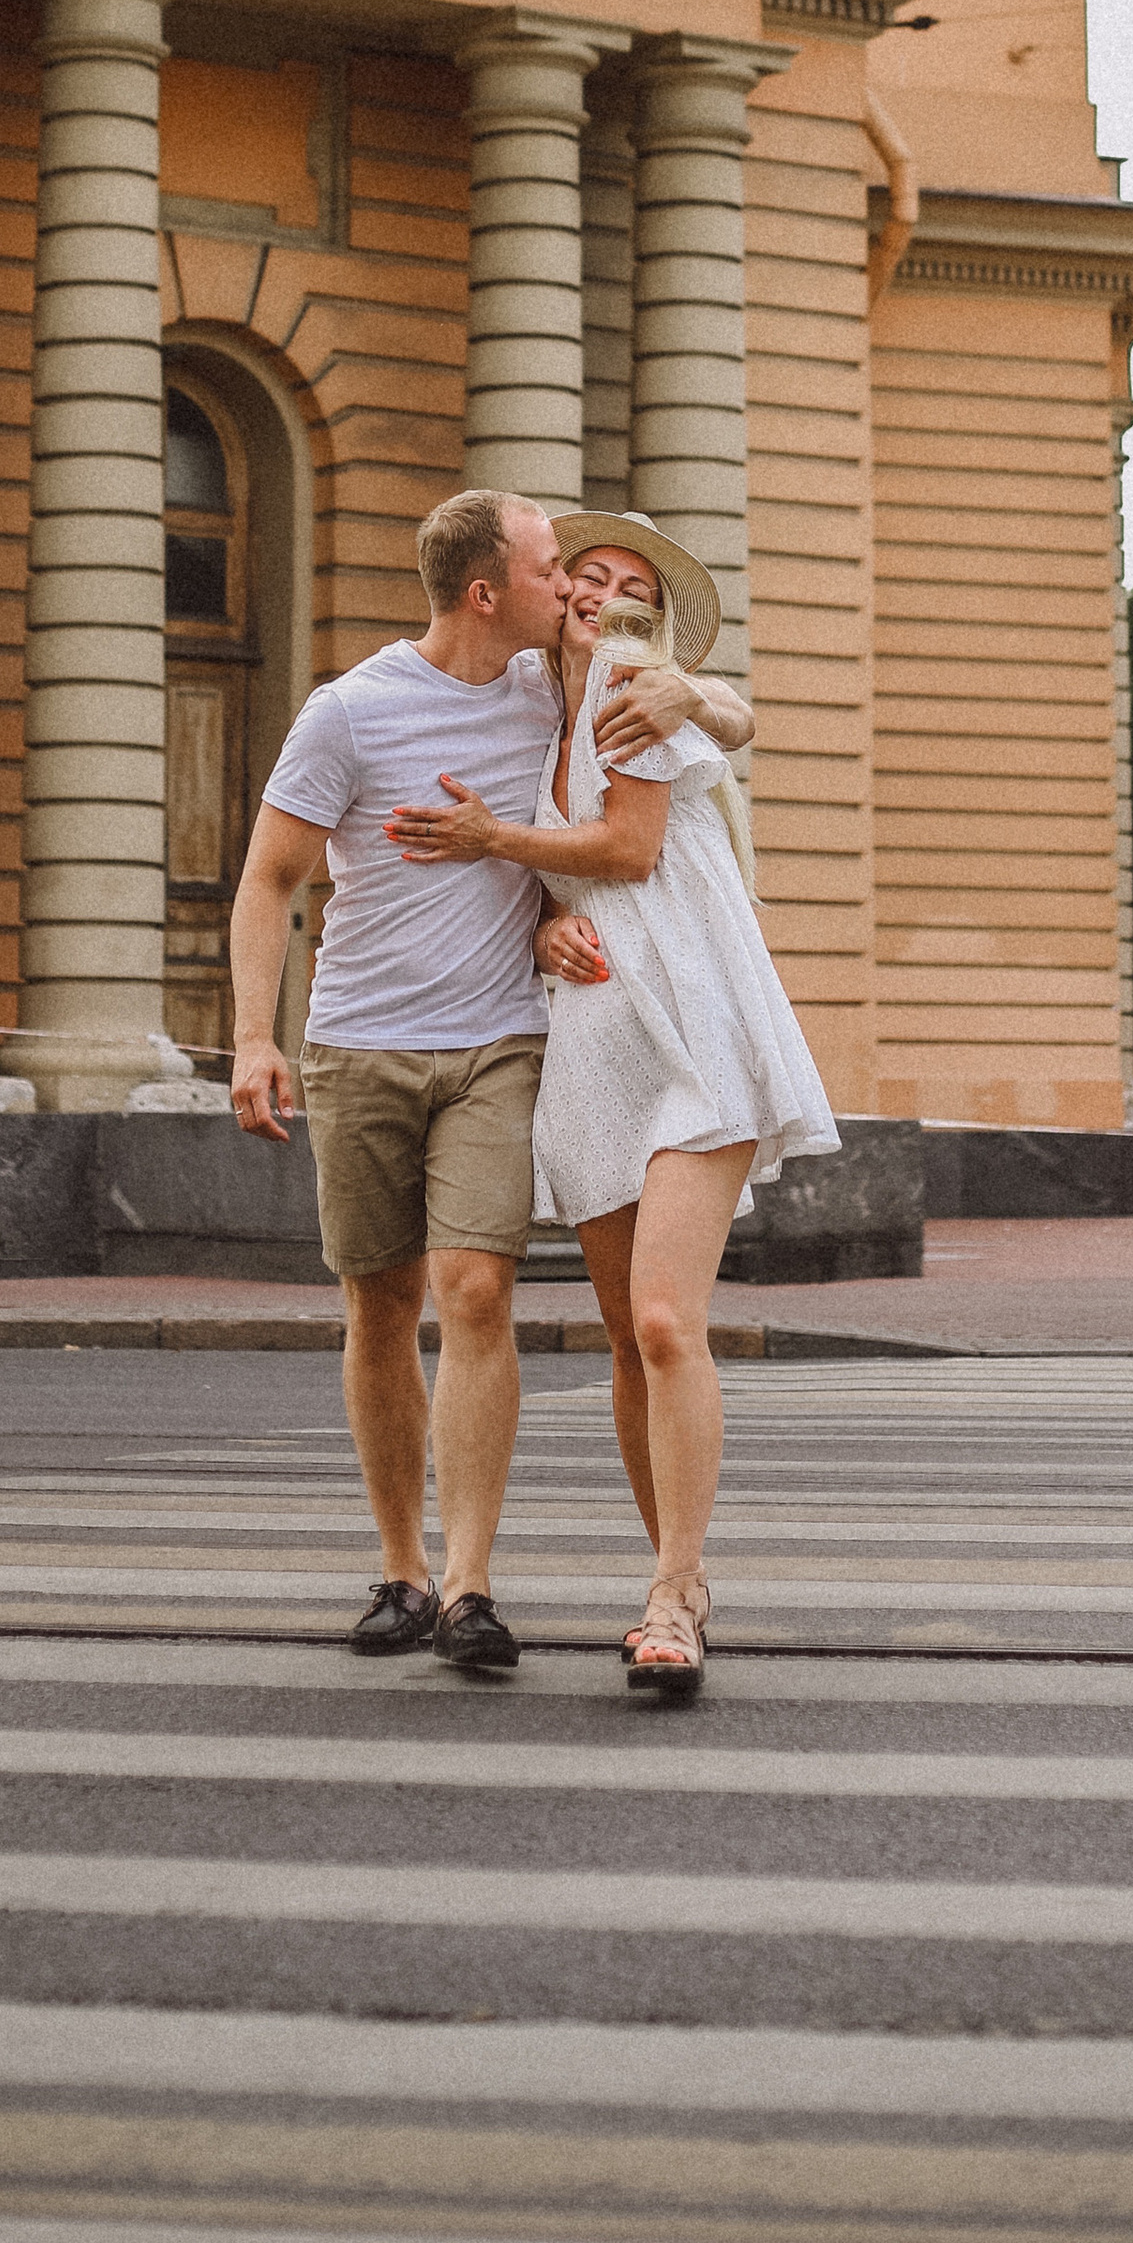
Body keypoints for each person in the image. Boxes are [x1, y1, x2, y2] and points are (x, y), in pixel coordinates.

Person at [226, 488, 751, 1675]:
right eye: (556, 565)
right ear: (489, 591)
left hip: (503, 1044)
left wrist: (694, 691)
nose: (574, 585)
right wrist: (255, 1037)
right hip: (358, 1040)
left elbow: (687, 733)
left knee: (473, 1291)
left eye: (594, 574)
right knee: (378, 1303)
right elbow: (270, 881)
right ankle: (403, 1568)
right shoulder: (349, 711)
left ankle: (469, 1586)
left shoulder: (568, 690)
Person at [384, 510, 839, 1701]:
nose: (604, 593)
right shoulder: (532, 721)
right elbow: (561, 871)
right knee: (629, 1348)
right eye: (586, 575)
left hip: (695, 1029)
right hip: (595, 1045)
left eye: (633, 586)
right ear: (548, 596)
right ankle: (666, 1574)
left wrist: (495, 836)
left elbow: (636, 844)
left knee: (661, 1323)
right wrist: (538, 916)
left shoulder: (645, 692)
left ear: (654, 620)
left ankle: (675, 1594)